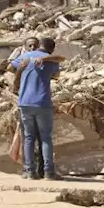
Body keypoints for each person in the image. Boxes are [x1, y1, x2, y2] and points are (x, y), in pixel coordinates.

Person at [8, 37, 62, 180]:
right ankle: (49, 172)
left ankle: (29, 171)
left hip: (25, 102)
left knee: (29, 138)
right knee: (45, 138)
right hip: (42, 102)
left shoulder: (25, 57)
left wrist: (22, 72)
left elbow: (9, 67)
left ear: (39, 45)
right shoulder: (51, 60)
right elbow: (56, 74)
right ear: (51, 49)